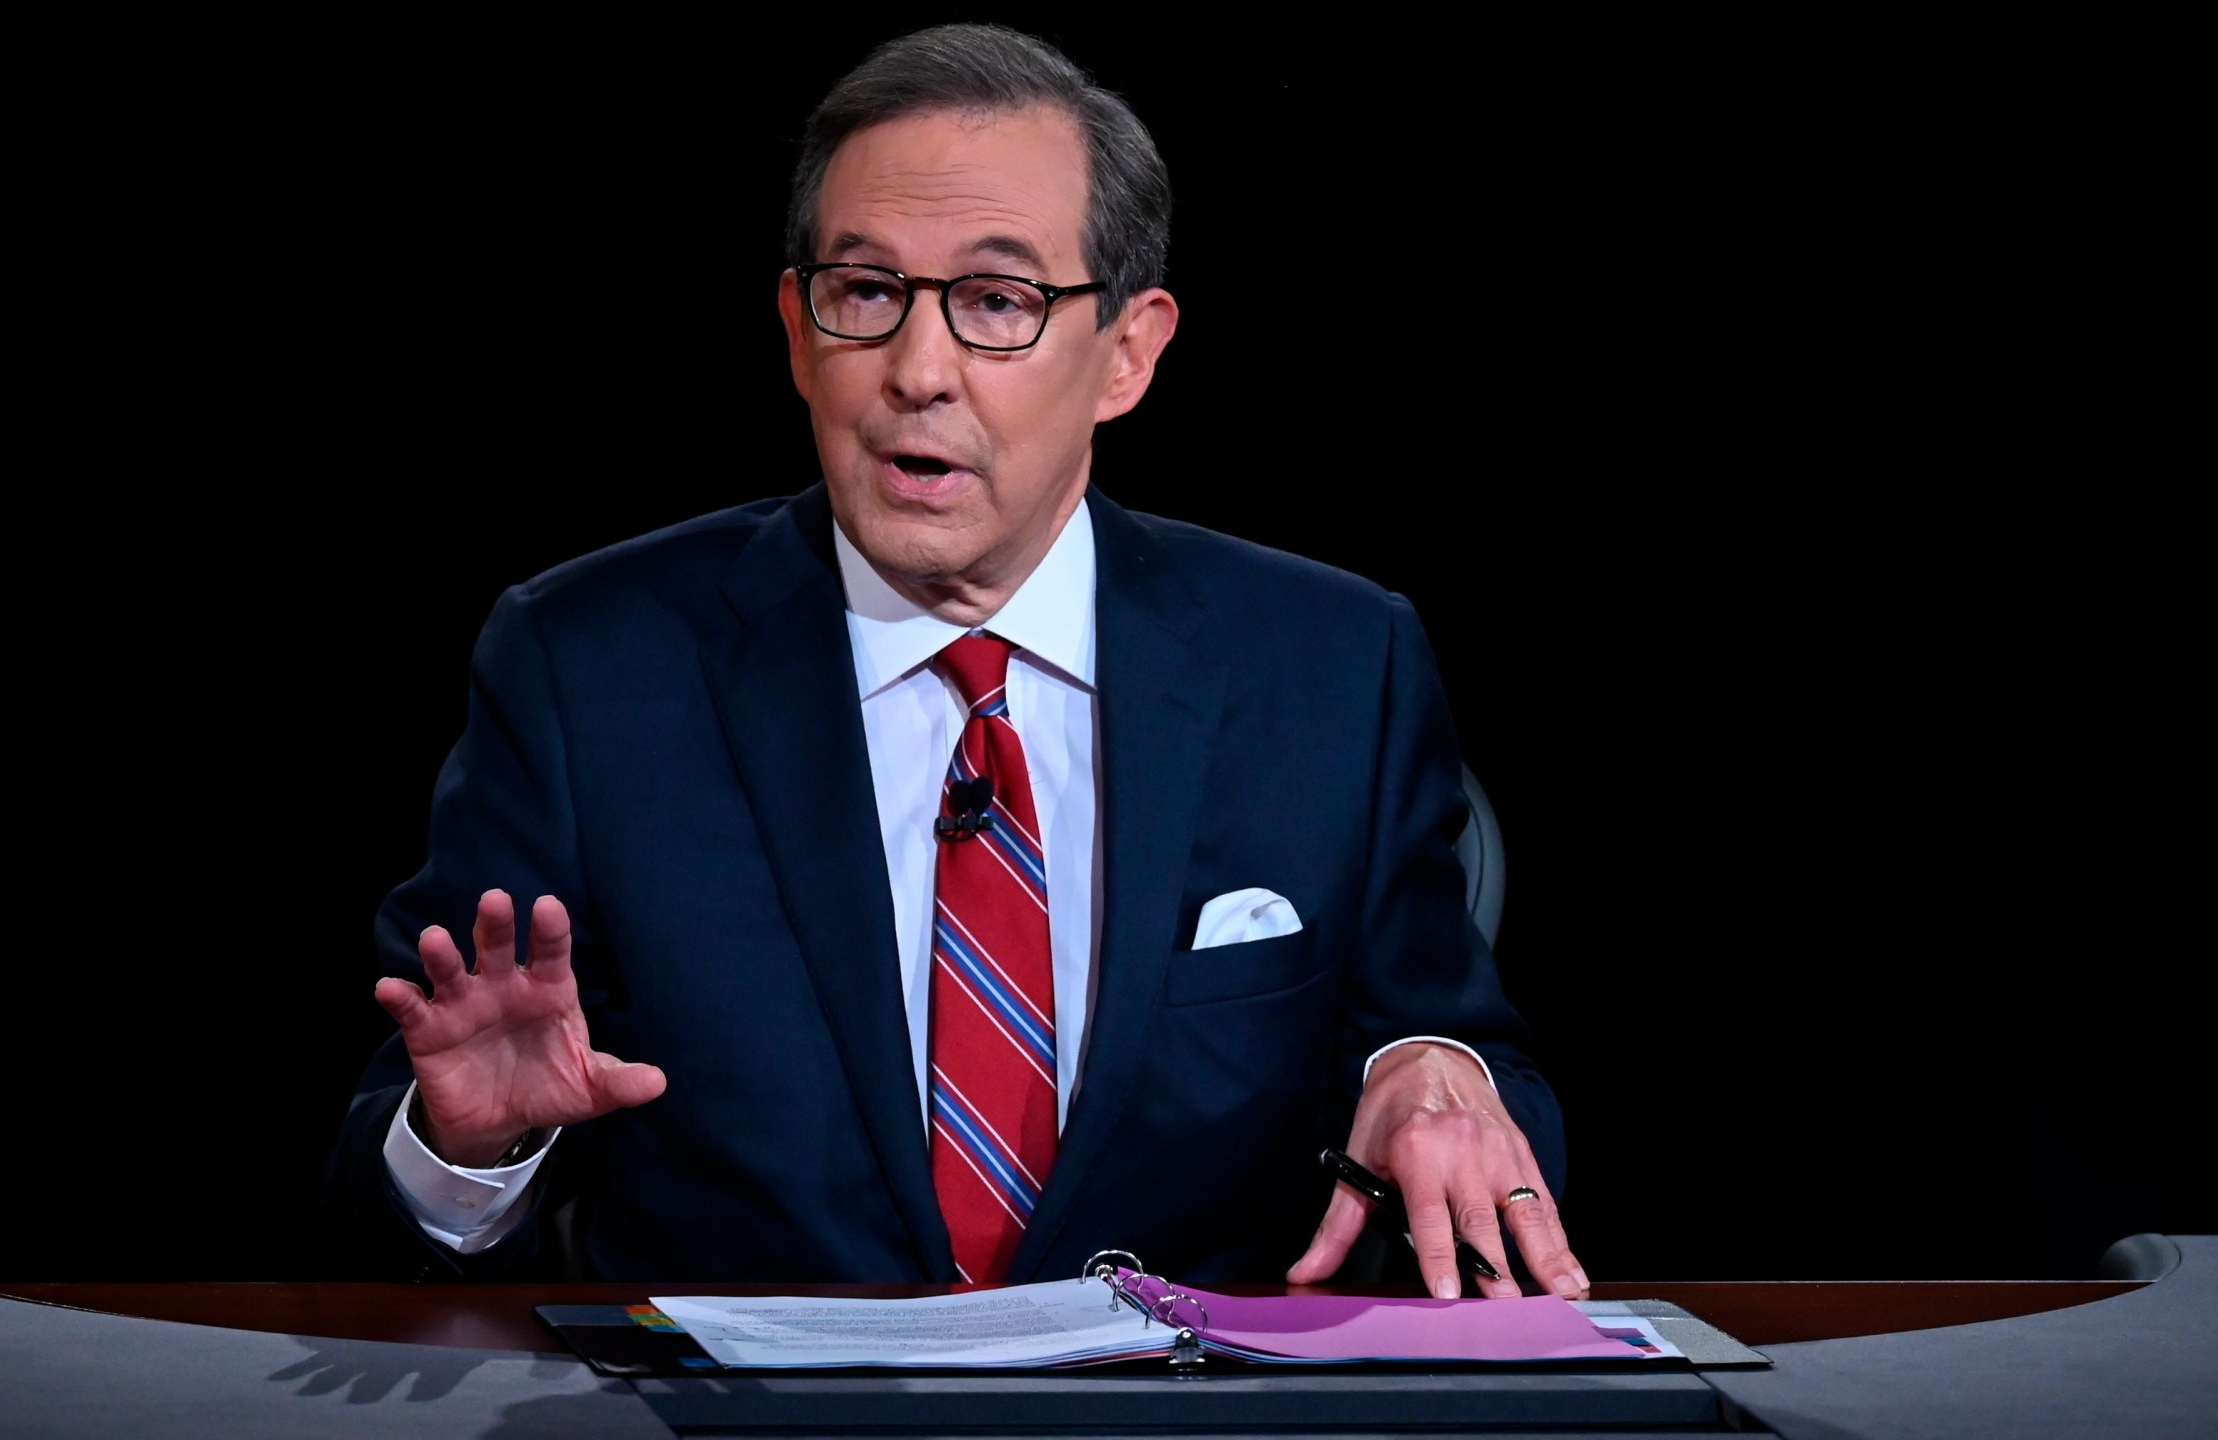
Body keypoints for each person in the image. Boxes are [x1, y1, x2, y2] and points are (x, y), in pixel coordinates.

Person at [321, 22, 1587, 1300]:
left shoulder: (1329, 666)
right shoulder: (588, 669)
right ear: (796, 329)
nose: (916, 373)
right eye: (866, 294)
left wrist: (1433, 1068)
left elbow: (1464, 1054)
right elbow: (373, 1214)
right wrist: (472, 1149)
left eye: (998, 303)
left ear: (1130, 352)